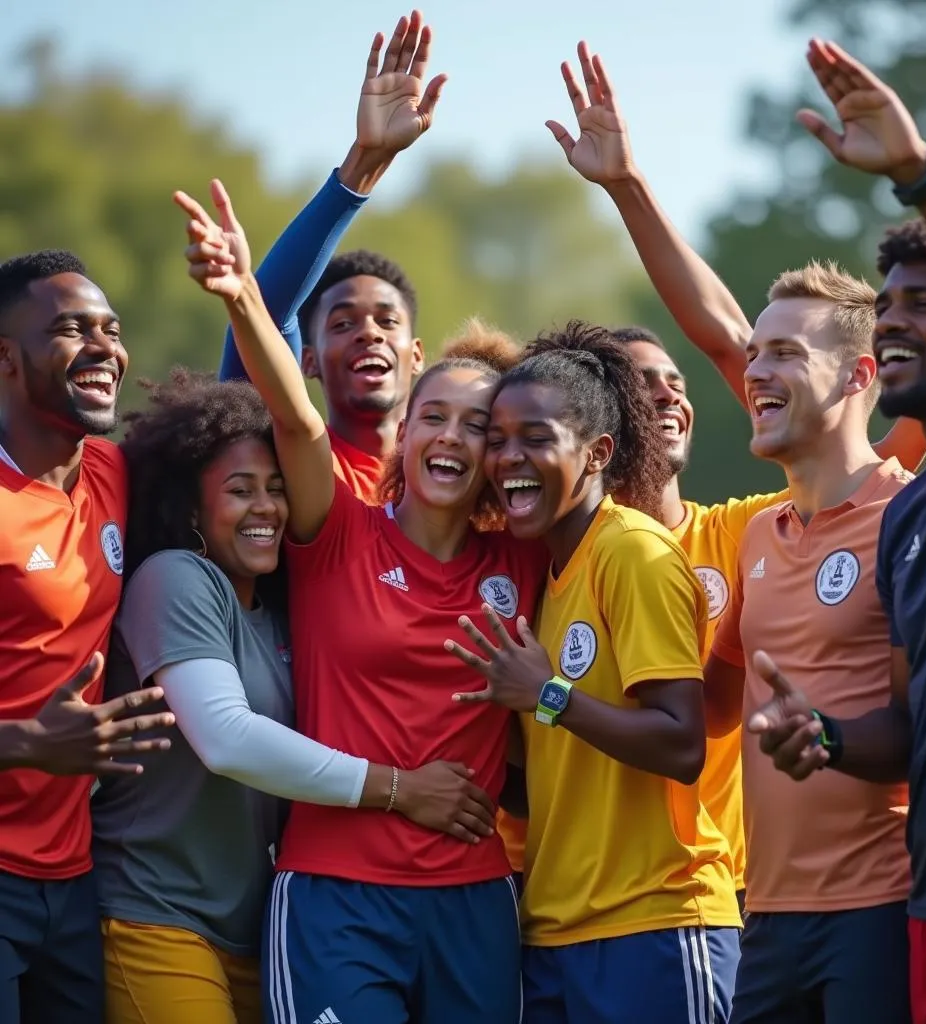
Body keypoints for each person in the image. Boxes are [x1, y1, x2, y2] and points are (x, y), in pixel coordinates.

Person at [535, 42, 926, 912]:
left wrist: (628, 183)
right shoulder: (555, 561)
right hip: (586, 915)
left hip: (745, 897)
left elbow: (731, 340)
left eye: (676, 381)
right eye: (642, 386)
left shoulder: (748, 527)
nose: (671, 395)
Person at [176, 174, 547, 1024]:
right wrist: (242, 300)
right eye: (435, 418)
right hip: (335, 896)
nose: (453, 437)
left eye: (478, 426)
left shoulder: (524, 561)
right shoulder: (338, 529)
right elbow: (296, 419)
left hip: (475, 896)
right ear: (405, 430)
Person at [747, 40, 926, 1024]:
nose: (893, 321)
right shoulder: (908, 520)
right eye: (888, 303)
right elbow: (906, 730)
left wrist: (920, 174)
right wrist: (821, 735)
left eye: (925, 302)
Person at [90, 370, 495, 1024]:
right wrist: (401, 788)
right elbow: (227, 738)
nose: (267, 509)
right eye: (240, 491)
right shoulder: (175, 580)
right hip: (155, 916)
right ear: (191, 509)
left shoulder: (280, 611)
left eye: (277, 490)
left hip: (248, 929)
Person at [448, 321, 741, 1024]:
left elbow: (680, 743)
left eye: (537, 439)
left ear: (597, 452)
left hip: (659, 927)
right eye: (499, 439)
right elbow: (554, 785)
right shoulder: (543, 577)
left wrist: (548, 695)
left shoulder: (631, 552)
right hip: (554, 933)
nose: (509, 458)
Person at [692, 253, 915, 1023]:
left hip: (883, 911)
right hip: (768, 915)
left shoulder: (909, 519)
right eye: (755, 352)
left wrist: (830, 737)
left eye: (785, 352)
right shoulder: (758, 534)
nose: (756, 370)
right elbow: (710, 715)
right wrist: (558, 694)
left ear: (858, 377)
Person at [0, 250, 173, 1023]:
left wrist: (356, 175)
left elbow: (245, 368)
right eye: (72, 330)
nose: (105, 347)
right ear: (6, 358)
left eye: (111, 328)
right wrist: (27, 745)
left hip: (72, 881)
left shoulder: (112, 471)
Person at [219, 10, 441, 502]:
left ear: (418, 354)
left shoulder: (459, 483)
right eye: (342, 323)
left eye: (387, 321)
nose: (369, 332)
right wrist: (363, 163)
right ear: (309, 360)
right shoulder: (290, 458)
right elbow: (267, 315)